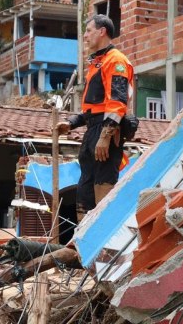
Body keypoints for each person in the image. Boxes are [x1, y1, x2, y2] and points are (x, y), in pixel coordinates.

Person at [56, 15, 134, 222]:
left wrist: (106, 135)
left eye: (89, 30)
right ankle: (82, 239)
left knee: (103, 184)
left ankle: (103, 236)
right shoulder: (97, 63)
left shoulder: (116, 60)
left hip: (106, 130)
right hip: (93, 129)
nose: (85, 35)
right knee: (85, 188)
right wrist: (72, 123)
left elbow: (117, 102)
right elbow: (94, 108)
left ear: (102, 32)